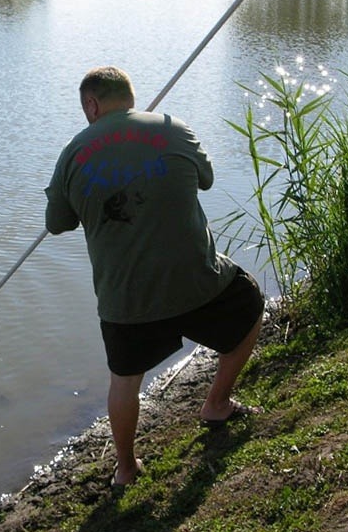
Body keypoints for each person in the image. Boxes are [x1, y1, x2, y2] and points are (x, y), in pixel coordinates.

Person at [45, 66, 264, 487]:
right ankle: (217, 403)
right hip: (199, 285)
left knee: (125, 381)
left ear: (91, 105)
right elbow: (207, 179)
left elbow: (57, 223)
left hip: (126, 302)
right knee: (251, 305)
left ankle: (126, 469)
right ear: (129, 96)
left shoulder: (73, 153)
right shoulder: (173, 128)